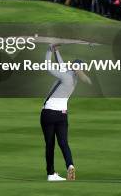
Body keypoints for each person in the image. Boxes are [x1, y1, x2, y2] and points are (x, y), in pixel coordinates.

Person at [40, 44, 91, 182]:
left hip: (49, 113)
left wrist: (49, 51)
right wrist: (57, 51)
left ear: (72, 66)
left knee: (50, 144)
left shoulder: (65, 76)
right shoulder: (73, 78)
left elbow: (48, 66)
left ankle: (51, 174)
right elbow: (62, 64)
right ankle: (70, 165)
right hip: (62, 115)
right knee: (63, 143)